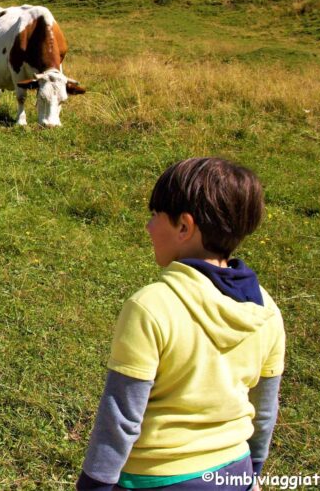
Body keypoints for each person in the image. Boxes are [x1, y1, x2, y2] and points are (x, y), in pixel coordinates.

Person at [77, 158, 284, 490]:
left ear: (184, 227)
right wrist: (252, 471)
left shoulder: (150, 307)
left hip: (157, 479)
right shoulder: (268, 308)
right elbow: (264, 409)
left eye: (155, 215)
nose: (147, 227)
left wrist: (94, 484)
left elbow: (121, 417)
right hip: (236, 472)